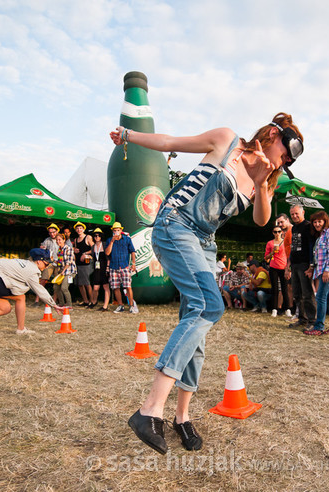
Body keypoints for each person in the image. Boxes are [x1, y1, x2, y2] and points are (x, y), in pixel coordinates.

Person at [110, 112, 303, 454]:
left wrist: (260, 184)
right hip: (176, 224)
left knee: (196, 325)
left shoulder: (265, 177)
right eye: (284, 155)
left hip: (204, 243)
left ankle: (181, 417)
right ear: (274, 134)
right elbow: (170, 143)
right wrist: (128, 135)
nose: (283, 162)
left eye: (287, 163)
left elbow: (262, 220)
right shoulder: (226, 141)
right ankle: (150, 409)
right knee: (209, 306)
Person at [0, 248, 65, 336]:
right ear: (38, 261)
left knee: (6, 308)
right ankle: (20, 329)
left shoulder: (24, 263)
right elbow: (40, 290)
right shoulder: (32, 271)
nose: (47, 266)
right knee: (20, 298)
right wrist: (54, 305)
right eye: (46, 263)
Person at [304, 211, 329, 335]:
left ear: (325, 221)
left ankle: (318, 327)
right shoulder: (320, 237)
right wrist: (312, 268)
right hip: (321, 270)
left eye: (319, 221)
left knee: (320, 297)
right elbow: (317, 255)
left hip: (328, 270)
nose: (317, 224)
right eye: (314, 222)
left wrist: (327, 270)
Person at [287, 204, 316, 328]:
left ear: (303, 212)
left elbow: (311, 246)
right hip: (295, 264)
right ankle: (302, 319)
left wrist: (311, 265)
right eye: (292, 214)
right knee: (297, 294)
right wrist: (289, 264)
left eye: (296, 213)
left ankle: (312, 321)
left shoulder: (308, 226)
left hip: (305, 264)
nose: (294, 216)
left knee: (307, 293)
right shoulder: (293, 228)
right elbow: (293, 247)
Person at [105, 222, 138, 314]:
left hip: (124, 266)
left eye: (118, 230)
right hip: (113, 266)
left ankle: (131, 306)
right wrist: (112, 241)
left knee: (128, 286)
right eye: (115, 230)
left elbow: (132, 251)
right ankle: (120, 305)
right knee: (116, 287)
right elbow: (107, 253)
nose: (116, 232)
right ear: (113, 231)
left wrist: (133, 264)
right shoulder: (109, 240)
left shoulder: (127, 239)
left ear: (121, 230)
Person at [264, 225, 291, 317]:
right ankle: (274, 309)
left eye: (279, 231)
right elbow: (266, 258)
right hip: (273, 267)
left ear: (282, 232)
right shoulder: (270, 243)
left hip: (283, 267)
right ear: (273, 233)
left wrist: (288, 268)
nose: (277, 233)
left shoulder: (285, 242)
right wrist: (272, 252)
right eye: (275, 232)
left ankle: (287, 309)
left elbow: (289, 256)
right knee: (274, 289)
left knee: (285, 289)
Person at [35, 223, 60, 305]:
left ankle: (54, 301)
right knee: (43, 280)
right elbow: (42, 248)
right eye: (50, 232)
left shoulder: (61, 239)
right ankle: (37, 300)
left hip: (59, 263)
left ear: (57, 231)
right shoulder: (47, 240)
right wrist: (42, 248)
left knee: (57, 282)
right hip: (49, 263)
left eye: (53, 232)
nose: (52, 234)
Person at [72, 222, 95, 307]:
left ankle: (92, 301)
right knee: (80, 284)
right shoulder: (75, 240)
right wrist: (74, 250)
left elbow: (94, 248)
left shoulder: (88, 237)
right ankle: (85, 300)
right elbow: (75, 250)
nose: (79, 230)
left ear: (83, 229)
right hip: (78, 263)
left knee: (87, 283)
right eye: (77, 228)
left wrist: (85, 253)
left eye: (80, 228)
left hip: (86, 263)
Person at [89, 228, 111, 311]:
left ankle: (105, 306)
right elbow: (93, 256)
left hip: (104, 268)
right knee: (95, 288)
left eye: (98, 235)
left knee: (106, 287)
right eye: (95, 236)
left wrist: (108, 268)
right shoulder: (93, 247)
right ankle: (94, 302)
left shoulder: (105, 244)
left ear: (101, 236)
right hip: (96, 269)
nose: (97, 237)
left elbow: (108, 257)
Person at [52, 233, 76, 308]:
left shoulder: (68, 248)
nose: (58, 241)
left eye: (59, 240)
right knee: (56, 287)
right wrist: (53, 260)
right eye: (57, 240)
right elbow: (60, 262)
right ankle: (61, 304)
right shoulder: (59, 249)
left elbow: (69, 262)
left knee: (64, 288)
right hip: (63, 271)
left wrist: (63, 271)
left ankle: (69, 305)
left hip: (70, 271)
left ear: (64, 240)